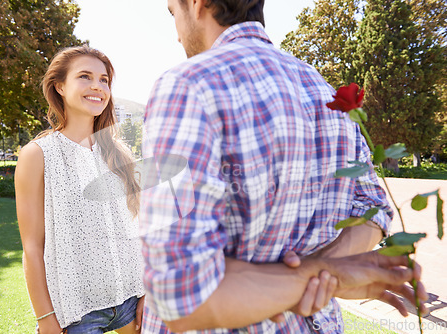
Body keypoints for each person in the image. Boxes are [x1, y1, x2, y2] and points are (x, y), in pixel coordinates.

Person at [139, 0, 428, 333]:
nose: (176, 34)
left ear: (196, 4)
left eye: (173, 12)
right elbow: (373, 208)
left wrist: (311, 275)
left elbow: (180, 294)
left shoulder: (187, 85)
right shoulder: (324, 91)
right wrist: (324, 273)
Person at [15, 45, 145, 334]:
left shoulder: (119, 152)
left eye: (104, 80)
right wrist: (45, 317)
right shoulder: (37, 155)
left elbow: (137, 228)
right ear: (59, 86)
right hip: (76, 312)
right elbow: (32, 247)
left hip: (133, 297)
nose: (97, 86)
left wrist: (147, 290)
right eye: (85, 76)